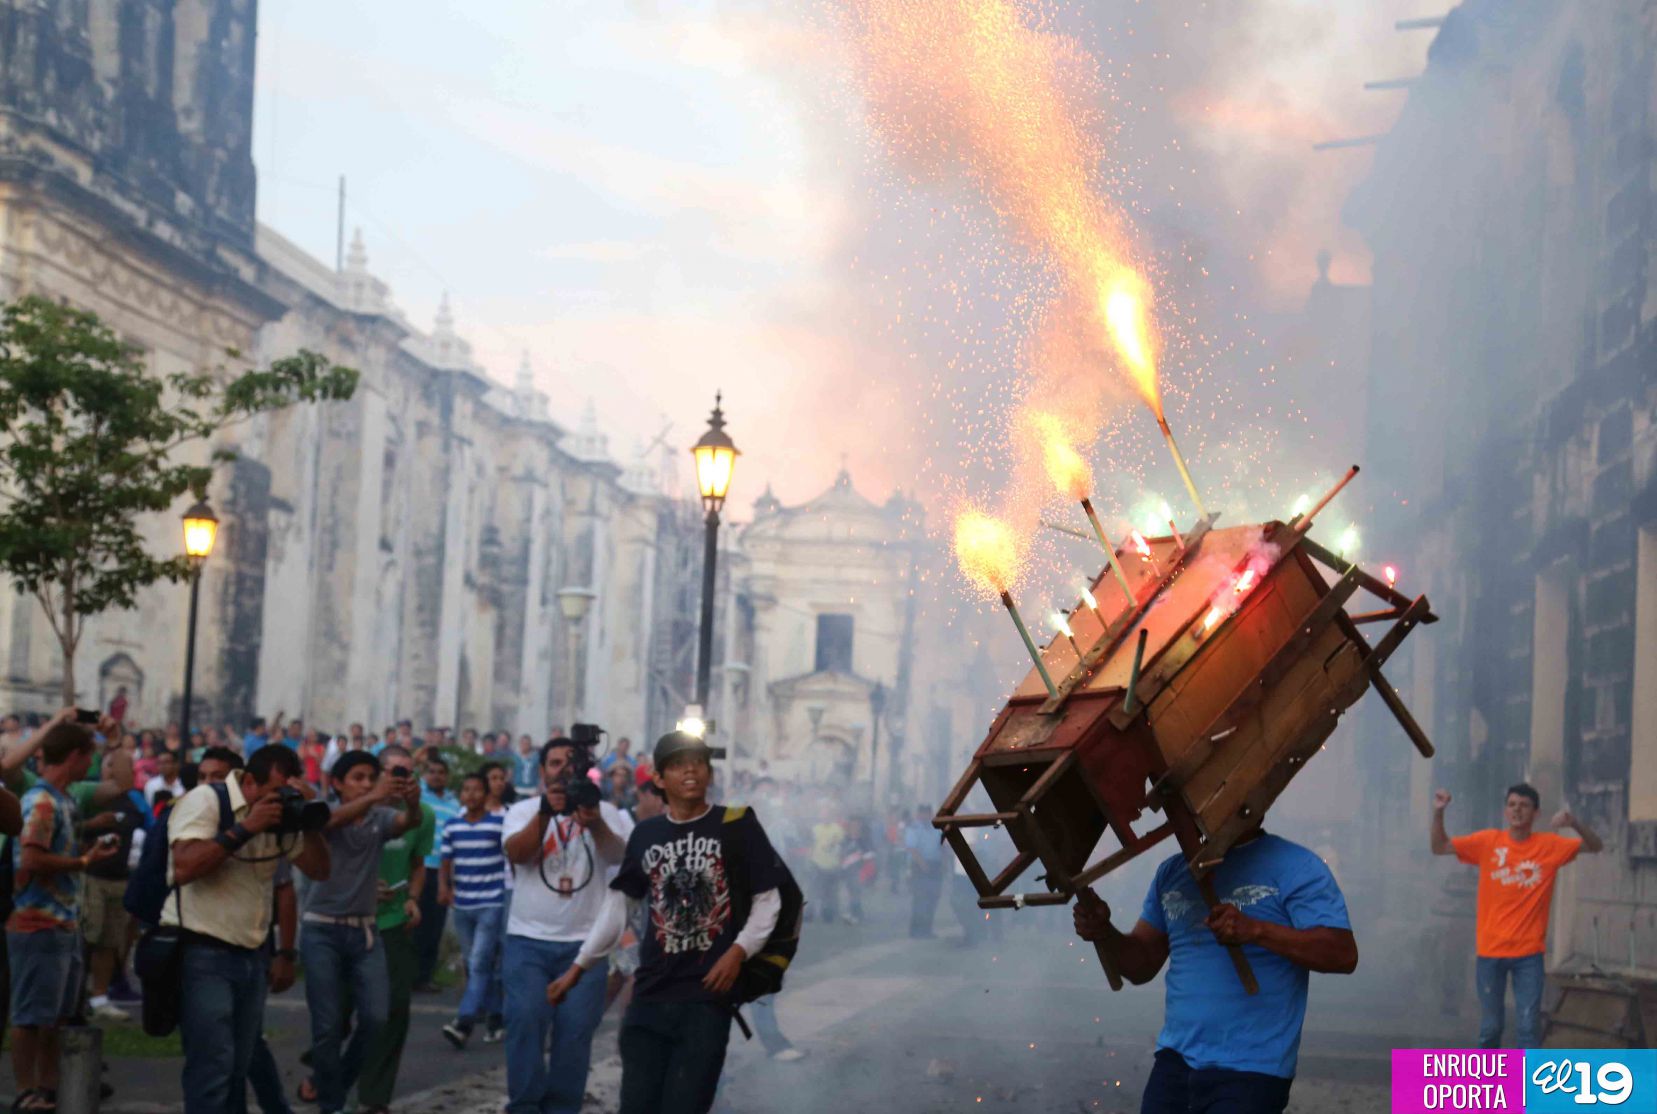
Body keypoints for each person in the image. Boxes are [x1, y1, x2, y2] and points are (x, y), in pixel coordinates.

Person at [550, 731, 786, 1114]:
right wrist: (578, 968)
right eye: (677, 764)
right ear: (658, 779)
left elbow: (768, 900)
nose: (690, 770)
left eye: (698, 762)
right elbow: (619, 906)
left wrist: (738, 951)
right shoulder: (646, 834)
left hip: (706, 1000)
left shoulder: (737, 826)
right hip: (650, 996)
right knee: (637, 1105)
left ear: (710, 774)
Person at [1073, 827, 1357, 1114]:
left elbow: (1342, 954)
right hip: (1175, 1062)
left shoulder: (1296, 865)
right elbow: (1142, 965)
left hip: (1252, 1071)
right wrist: (1104, 932)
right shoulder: (1173, 872)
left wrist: (1257, 930)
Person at [165, 743, 329, 1114]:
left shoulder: (282, 818)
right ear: (250, 782)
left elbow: (319, 870)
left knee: (237, 1067)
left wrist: (310, 822)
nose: (279, 802)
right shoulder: (207, 800)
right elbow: (185, 867)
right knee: (213, 1065)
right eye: (274, 793)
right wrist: (247, 826)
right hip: (202, 950)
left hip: (251, 954)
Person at [499, 737, 633, 1114]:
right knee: (525, 1022)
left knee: (575, 1035)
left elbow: (619, 857)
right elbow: (518, 855)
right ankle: (524, 1106)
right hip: (528, 940)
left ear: (581, 769)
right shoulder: (523, 811)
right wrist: (545, 813)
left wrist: (593, 824)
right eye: (553, 762)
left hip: (585, 947)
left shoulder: (607, 811)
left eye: (569, 762)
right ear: (541, 772)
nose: (562, 769)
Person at [1431, 783, 1603, 1049]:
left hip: (1529, 955)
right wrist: (1439, 813)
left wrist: (1574, 823)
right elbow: (1440, 847)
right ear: (1505, 811)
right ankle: (1489, 1087)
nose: (1517, 810)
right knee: (1491, 1028)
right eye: (1512, 805)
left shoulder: (1549, 846)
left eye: (1523, 805)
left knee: (1527, 1027)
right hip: (1490, 952)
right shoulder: (1487, 842)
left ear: (1536, 813)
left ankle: (1528, 1088)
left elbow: (1595, 846)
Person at [300, 751, 422, 1114]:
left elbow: (405, 823)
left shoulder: (379, 817)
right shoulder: (323, 809)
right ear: (337, 783)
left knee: (376, 1017)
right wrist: (375, 796)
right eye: (358, 777)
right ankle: (332, 1105)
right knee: (327, 1025)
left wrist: (413, 804)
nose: (367, 784)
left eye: (371, 777)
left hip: (364, 931)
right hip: (321, 928)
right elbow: (328, 822)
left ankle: (332, 1083)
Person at [8, 721, 112, 1112]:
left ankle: (49, 1087)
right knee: (30, 1016)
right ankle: (25, 1090)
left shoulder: (64, 800)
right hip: (36, 922)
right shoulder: (42, 801)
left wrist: (87, 843)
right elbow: (31, 858)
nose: (91, 764)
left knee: (55, 1017)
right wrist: (83, 861)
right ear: (74, 756)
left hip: (62, 923)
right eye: (89, 756)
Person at [358, 745, 435, 1114]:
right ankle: (330, 1074)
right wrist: (363, 885)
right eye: (395, 773)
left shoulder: (425, 815)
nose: (402, 781)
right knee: (341, 1012)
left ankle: (375, 1097)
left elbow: (418, 864)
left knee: (395, 1009)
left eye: (409, 773)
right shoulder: (359, 809)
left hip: (392, 922)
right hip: (350, 921)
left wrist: (413, 898)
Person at [439, 772, 508, 1048]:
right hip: (463, 904)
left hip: (491, 902)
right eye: (466, 790)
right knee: (474, 963)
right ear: (460, 795)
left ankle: (464, 1021)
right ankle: (495, 1018)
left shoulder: (498, 825)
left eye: (477, 790)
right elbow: (446, 860)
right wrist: (443, 887)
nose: (471, 795)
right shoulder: (452, 826)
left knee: (479, 962)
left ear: (486, 794)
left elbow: (510, 859)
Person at [412, 754, 460, 993]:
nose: (436, 776)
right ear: (424, 775)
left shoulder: (455, 805)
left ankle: (425, 976)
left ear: (447, 777)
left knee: (434, 926)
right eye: (432, 772)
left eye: (441, 772)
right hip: (419, 868)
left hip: (442, 872)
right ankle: (406, 974)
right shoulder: (418, 797)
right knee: (413, 922)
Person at [903, 804, 943, 938]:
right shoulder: (914, 828)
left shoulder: (937, 829)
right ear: (918, 814)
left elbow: (943, 846)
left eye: (928, 813)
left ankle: (927, 929)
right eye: (923, 813)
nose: (925, 816)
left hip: (935, 866)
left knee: (933, 899)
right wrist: (923, 865)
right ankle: (915, 930)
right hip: (920, 866)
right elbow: (912, 849)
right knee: (920, 899)